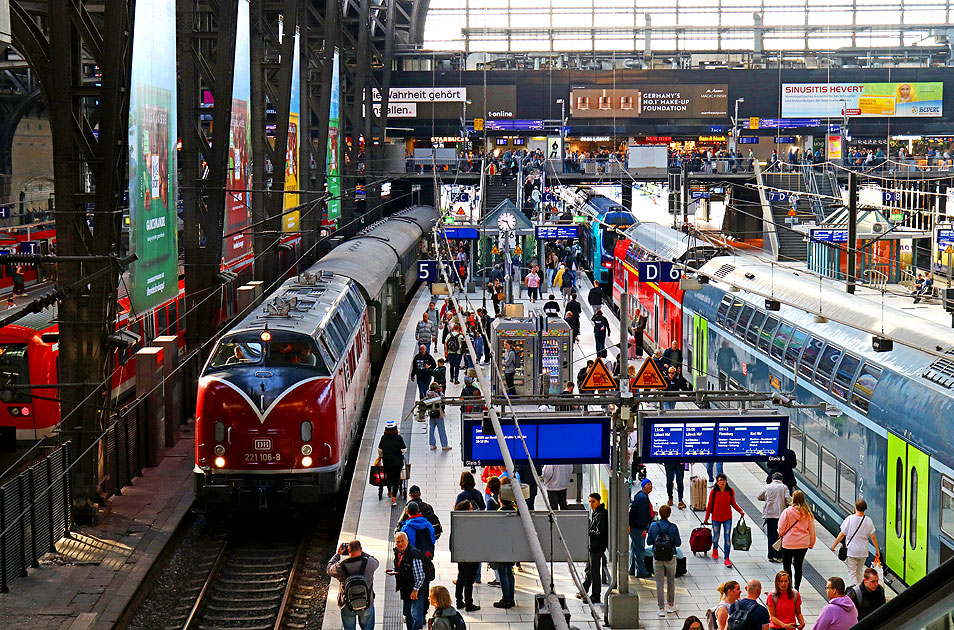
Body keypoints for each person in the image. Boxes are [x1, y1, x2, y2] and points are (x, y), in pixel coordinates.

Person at [326, 539, 380, 630]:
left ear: (348, 551)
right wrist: (362, 552)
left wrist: (338, 554)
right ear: (361, 549)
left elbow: (328, 569)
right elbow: (375, 560)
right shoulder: (369, 563)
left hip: (347, 605)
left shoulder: (340, 567)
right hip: (367, 604)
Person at [831, 499, 880, 586]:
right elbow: (873, 537)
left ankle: (856, 591)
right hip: (863, 551)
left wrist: (834, 546)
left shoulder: (849, 519)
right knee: (859, 572)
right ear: (865, 509)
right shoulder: (868, 520)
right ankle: (860, 588)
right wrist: (877, 550)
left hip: (851, 551)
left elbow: (842, 534)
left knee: (852, 573)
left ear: (855, 508)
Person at [703, 473, 745, 567]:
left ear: (726, 481)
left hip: (727, 518)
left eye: (723, 480)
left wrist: (740, 511)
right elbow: (709, 506)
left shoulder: (730, 491)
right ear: (717, 482)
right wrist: (706, 518)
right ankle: (715, 548)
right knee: (715, 537)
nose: (722, 482)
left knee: (727, 538)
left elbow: (733, 503)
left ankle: (727, 558)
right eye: (720, 480)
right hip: (716, 518)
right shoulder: (714, 492)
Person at [647, 504, 682, 617]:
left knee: (659, 583)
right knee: (671, 581)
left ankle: (661, 608)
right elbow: (678, 543)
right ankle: (671, 605)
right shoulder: (673, 527)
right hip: (670, 557)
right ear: (669, 514)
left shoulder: (653, 526)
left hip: (657, 557)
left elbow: (649, 542)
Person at [777, 491, 816, 591]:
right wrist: (811, 543)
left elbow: (781, 528)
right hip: (803, 544)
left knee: (787, 565)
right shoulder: (808, 514)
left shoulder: (787, 511)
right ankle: (797, 588)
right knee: (798, 566)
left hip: (788, 543)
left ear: (793, 499)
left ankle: (788, 588)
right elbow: (811, 530)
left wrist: (781, 534)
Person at [392, 532, 430, 630]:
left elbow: (420, 575)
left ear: (407, 541)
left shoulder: (414, 554)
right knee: (408, 614)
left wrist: (415, 590)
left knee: (416, 616)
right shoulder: (398, 552)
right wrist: (395, 571)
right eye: (398, 542)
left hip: (415, 589)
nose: (400, 544)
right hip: (405, 588)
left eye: (402, 541)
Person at [451, 501, 480, 611]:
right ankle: (469, 604)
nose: (473, 510)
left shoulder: (457, 522)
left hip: (461, 556)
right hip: (471, 557)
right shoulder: (471, 523)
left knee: (461, 577)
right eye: (471, 508)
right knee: (469, 581)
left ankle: (459, 601)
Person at [579, 493, 608, 604]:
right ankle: (584, 590)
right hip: (594, 547)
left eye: (593, 502)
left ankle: (595, 595)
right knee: (589, 569)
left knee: (594, 571)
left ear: (598, 501)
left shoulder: (600, 515)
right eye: (590, 501)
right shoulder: (597, 513)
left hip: (597, 547)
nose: (591, 504)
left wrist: (588, 530)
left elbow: (599, 533)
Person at [759, 473, 791, 563]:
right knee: (779, 536)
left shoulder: (767, 487)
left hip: (769, 515)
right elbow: (788, 499)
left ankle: (770, 555)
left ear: (772, 479)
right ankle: (778, 556)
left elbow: (759, 496)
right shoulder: (784, 487)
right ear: (782, 479)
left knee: (770, 535)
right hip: (780, 516)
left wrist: (767, 498)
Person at [378, 420, 407, 507]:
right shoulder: (399, 438)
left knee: (388, 476)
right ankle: (394, 499)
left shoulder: (383, 438)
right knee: (396, 479)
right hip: (397, 462)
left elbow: (380, 450)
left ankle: (389, 492)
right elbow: (404, 449)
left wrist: (383, 455)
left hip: (387, 462)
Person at [628, 478, 653, 578]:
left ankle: (632, 569)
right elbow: (642, 515)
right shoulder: (643, 498)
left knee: (634, 547)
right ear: (643, 486)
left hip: (634, 526)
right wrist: (645, 528)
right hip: (638, 528)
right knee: (640, 550)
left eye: (651, 484)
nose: (650, 486)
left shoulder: (640, 495)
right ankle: (641, 571)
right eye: (648, 484)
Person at [423, 383, 450, 451]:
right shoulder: (435, 395)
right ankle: (444, 445)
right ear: (436, 388)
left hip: (432, 413)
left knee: (431, 429)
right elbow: (443, 400)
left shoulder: (428, 393)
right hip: (438, 413)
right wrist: (441, 392)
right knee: (441, 429)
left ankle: (432, 444)